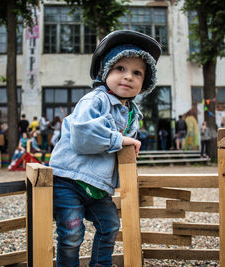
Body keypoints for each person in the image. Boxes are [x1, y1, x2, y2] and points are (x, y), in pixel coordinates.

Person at [49, 30, 161, 267]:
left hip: (98, 186)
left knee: (109, 225)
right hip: (69, 179)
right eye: (120, 68)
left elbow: (124, 148)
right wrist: (120, 141)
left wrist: (127, 152)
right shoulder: (95, 100)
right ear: (105, 71)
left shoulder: (133, 114)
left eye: (137, 73)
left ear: (144, 84)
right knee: (71, 233)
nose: (128, 76)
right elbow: (81, 135)